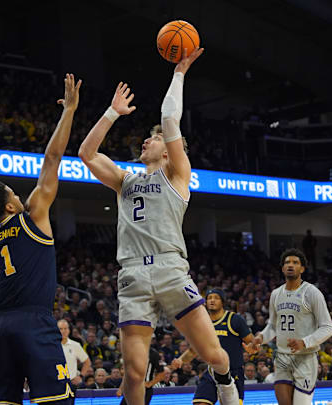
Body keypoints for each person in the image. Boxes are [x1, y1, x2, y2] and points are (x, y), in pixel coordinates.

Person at [78, 48, 239, 405]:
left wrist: (179, 72)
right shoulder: (125, 181)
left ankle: (227, 385)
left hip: (169, 268)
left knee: (213, 355)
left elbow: (169, 120)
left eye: (152, 140)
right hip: (132, 275)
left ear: (168, 151)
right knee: (134, 372)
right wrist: (111, 113)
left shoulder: (177, 175)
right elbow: (87, 154)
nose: (145, 141)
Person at [0, 73, 81, 405]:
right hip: (34, 322)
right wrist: (69, 111)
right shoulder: (32, 216)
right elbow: (52, 160)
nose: (21, 196)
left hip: (0, 326)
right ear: (10, 205)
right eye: (13, 194)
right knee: (58, 401)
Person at [252, 249, 332, 405]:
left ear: (302, 269)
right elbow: (272, 326)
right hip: (282, 356)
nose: (290, 265)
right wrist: (261, 337)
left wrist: (304, 342)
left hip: (305, 357)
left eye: (295, 263)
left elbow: (328, 327)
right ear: (282, 268)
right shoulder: (276, 294)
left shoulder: (312, 292)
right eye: (287, 262)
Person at [173, 289, 257, 405]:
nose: (212, 300)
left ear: (223, 302)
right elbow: (193, 350)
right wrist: (180, 360)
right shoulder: (203, 324)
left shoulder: (235, 320)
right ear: (205, 302)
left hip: (233, 373)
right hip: (212, 372)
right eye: (209, 298)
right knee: (199, 403)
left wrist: (252, 347)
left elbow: (252, 341)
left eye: (216, 298)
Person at [58, 319, 91, 404]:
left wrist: (81, 376)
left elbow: (87, 362)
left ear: (69, 330)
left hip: (71, 384)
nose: (63, 331)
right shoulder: (52, 345)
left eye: (65, 328)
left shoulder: (75, 345)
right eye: (61, 329)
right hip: (55, 383)